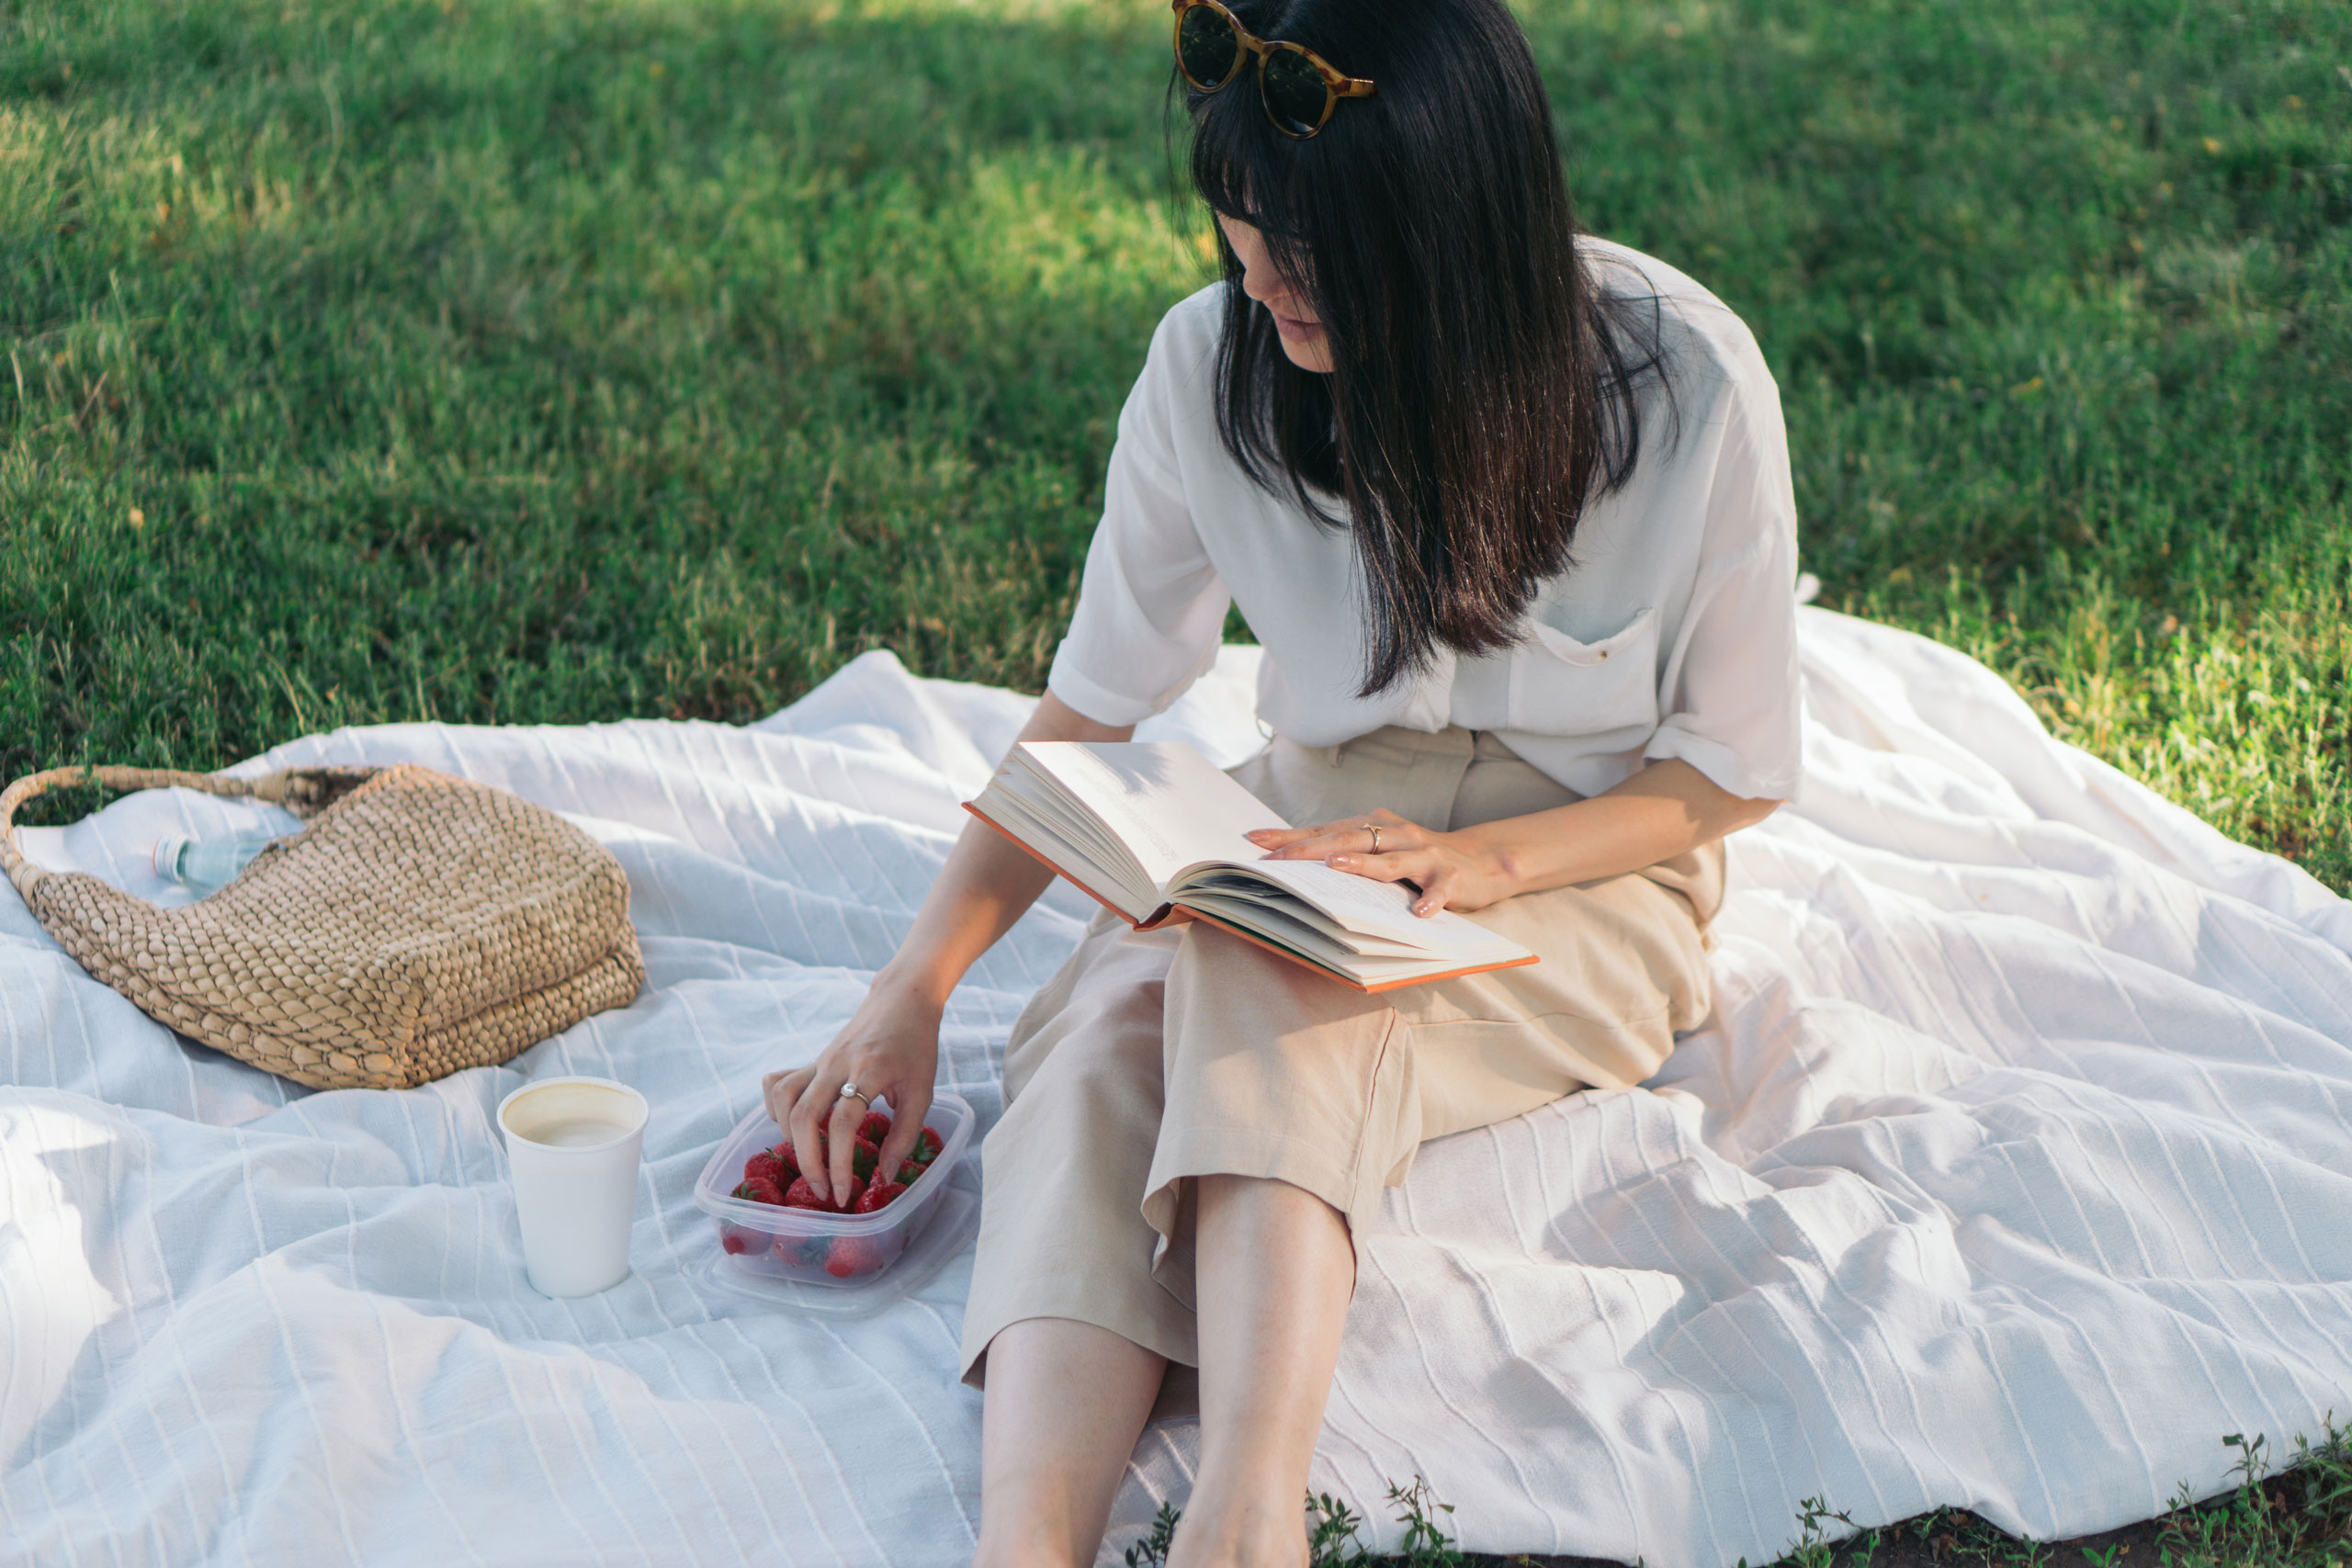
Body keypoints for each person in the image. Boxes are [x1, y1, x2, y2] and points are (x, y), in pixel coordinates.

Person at [762, 0, 1802, 1559]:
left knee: (1255, 957)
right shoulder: (1214, 367)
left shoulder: (1687, 387)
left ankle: (1249, 1516)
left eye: (1305, 270)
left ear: (1447, 235)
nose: (1263, 298)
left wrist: (1490, 869)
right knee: (1109, 1021)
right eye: (1243, 252)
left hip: (1586, 874)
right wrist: (915, 984)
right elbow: (1090, 713)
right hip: (1314, 814)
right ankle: (1024, 1545)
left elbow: (1727, 775)